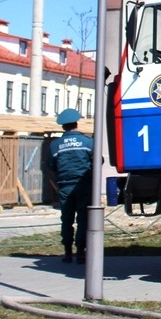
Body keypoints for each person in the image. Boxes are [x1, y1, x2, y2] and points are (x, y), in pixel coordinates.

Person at [44, 108, 93, 264]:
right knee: (83, 220)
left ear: (63, 127)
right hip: (83, 186)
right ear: (76, 124)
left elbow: (50, 165)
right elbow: (99, 161)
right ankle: (81, 252)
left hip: (64, 186)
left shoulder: (55, 145)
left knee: (66, 220)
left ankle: (67, 253)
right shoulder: (88, 142)